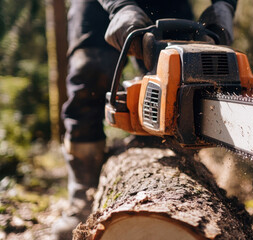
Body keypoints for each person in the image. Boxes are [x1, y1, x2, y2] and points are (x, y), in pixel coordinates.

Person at [52, 0, 237, 239]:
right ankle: (81, 196)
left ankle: (179, 173)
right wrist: (119, 6)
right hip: (98, 6)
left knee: (181, 77)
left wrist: (224, 5)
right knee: (89, 74)